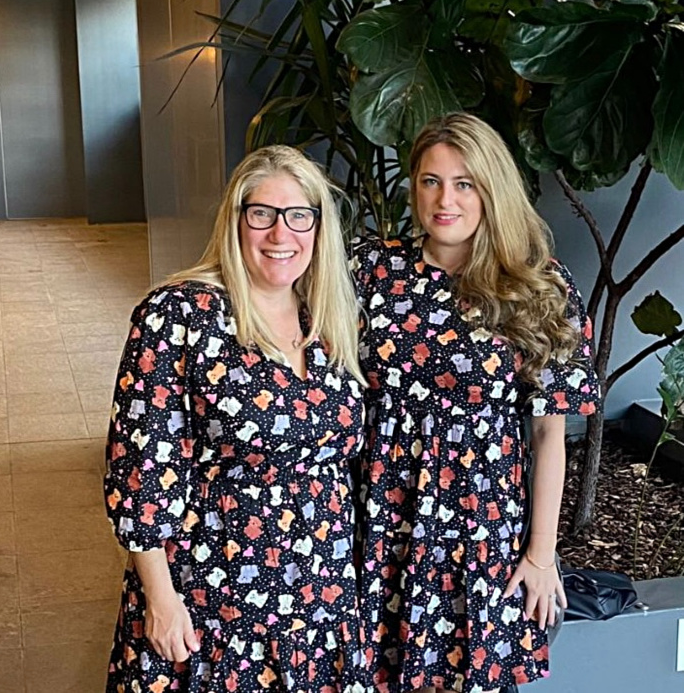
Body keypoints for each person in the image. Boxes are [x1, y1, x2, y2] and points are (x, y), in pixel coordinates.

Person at [350, 113, 600, 693]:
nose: (445, 200)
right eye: (430, 181)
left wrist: (540, 554)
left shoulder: (540, 287)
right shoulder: (372, 271)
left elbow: (548, 437)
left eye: (465, 183)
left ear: (492, 190)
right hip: (382, 514)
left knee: (470, 674)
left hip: (480, 523)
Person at [104, 145, 367, 693]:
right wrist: (160, 598)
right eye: (261, 214)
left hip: (322, 596)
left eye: (299, 216)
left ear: (318, 229)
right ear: (236, 219)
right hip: (213, 598)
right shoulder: (177, 315)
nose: (280, 234)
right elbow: (140, 473)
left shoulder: (330, 316)